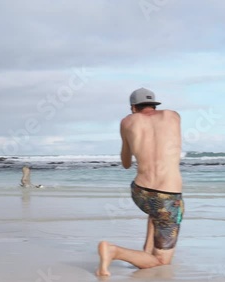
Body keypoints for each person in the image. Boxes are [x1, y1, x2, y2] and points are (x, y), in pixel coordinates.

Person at [96, 88, 184, 277]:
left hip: (140, 192)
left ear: (133, 107)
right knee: (161, 261)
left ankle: (145, 253)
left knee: (156, 212)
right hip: (168, 196)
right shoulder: (173, 116)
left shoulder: (127, 122)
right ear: (155, 104)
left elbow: (126, 163)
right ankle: (114, 251)